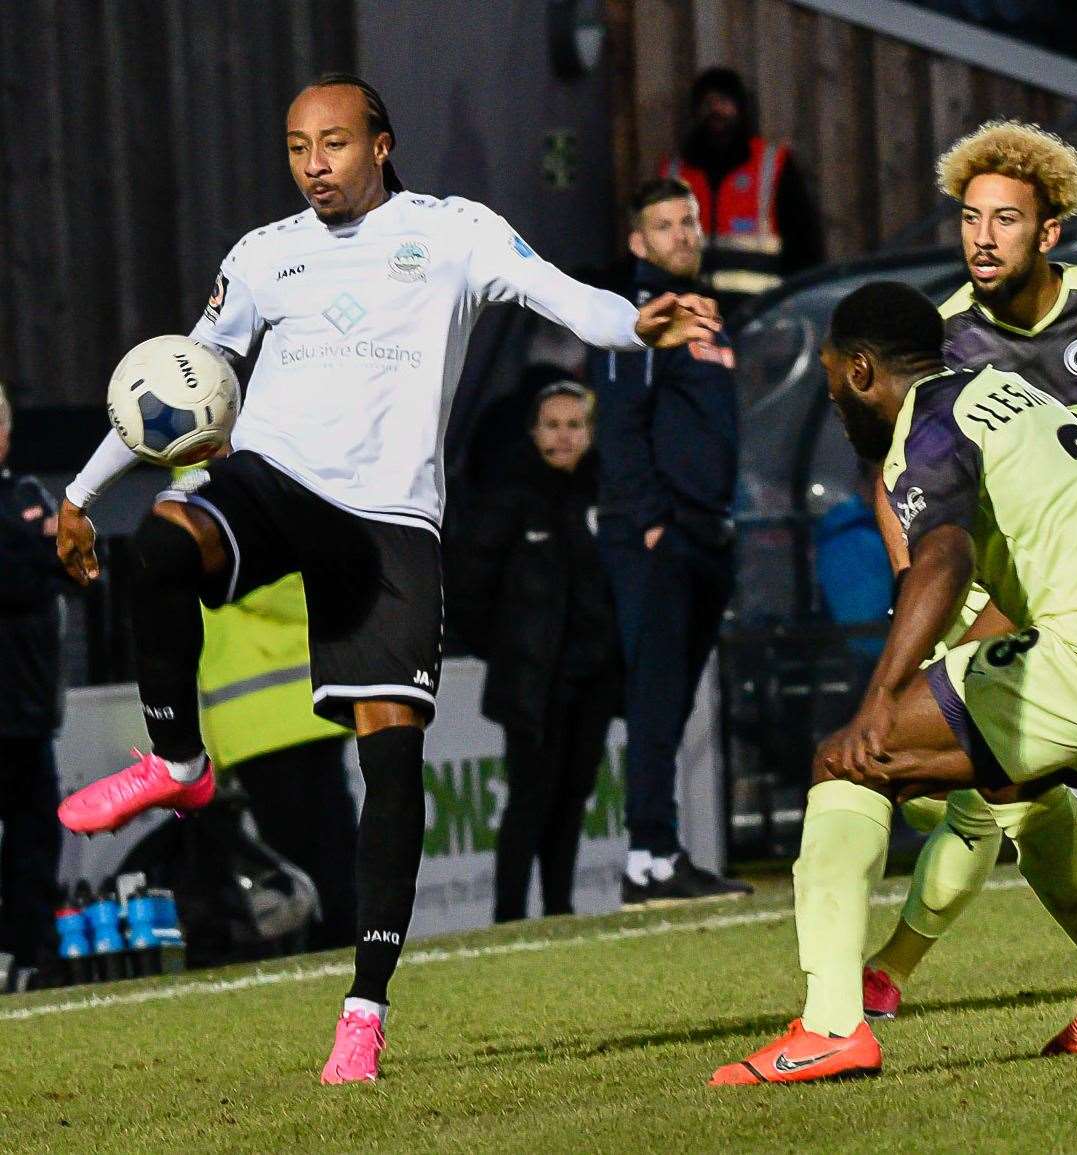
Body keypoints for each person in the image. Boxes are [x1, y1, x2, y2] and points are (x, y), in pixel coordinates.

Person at [51, 73, 718, 1082]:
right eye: (295, 147)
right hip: (273, 479)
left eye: (333, 143)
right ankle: (179, 764)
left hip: (388, 520)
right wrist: (81, 493)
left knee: (392, 761)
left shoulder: (453, 233)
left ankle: (365, 1008)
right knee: (159, 549)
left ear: (381, 143)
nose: (313, 163)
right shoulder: (264, 255)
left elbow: (563, 298)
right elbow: (174, 381)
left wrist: (638, 324)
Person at [711, 282, 1077, 1085]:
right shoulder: (1013, 397)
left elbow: (943, 561)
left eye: (827, 378)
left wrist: (880, 701)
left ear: (858, 370)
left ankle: (832, 1025)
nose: (834, 398)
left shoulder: (929, 423)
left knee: (846, 761)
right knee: (1015, 784)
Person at [862, 120, 1077, 1020]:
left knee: (973, 781)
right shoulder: (939, 339)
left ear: (1048, 233)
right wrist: (908, 569)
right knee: (992, 785)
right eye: (970, 218)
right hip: (986, 578)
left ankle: (880, 978)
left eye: (1005, 219)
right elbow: (883, 457)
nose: (982, 236)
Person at [590, 178, 749, 907]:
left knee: (675, 699)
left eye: (688, 220)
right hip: (659, 535)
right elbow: (619, 424)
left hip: (705, 532)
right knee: (655, 696)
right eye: (665, 223)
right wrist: (653, 519)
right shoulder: (637, 316)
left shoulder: (706, 315)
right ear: (637, 241)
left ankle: (661, 850)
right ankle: (648, 856)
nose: (683, 233)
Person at [447, 379, 618, 923]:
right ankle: (510, 916)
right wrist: (506, 649)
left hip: (592, 674)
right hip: (533, 679)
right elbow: (470, 584)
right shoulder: (508, 496)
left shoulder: (607, 495)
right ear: (532, 432)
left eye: (574, 425)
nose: (563, 437)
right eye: (552, 425)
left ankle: (561, 908)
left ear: (590, 433)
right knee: (529, 800)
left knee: (573, 797)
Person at [183, 458, 357, 953]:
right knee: (323, 858)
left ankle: (330, 956)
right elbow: (270, 589)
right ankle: (339, 957)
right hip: (284, 709)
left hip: (258, 717)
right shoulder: (236, 490)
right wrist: (335, 578)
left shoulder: (188, 497)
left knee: (300, 859)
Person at [661, 67, 824, 311]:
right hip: (692, 321)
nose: (715, 110)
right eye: (707, 103)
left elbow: (804, 248)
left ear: (741, 108)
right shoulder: (674, 173)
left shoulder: (773, 166)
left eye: (724, 101)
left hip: (762, 319)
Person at [0, 381, 64, 991]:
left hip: (29, 709)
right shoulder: (27, 508)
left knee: (34, 843)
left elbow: (75, 566)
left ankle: (28, 960)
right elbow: (22, 573)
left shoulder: (27, 492)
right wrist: (31, 546)